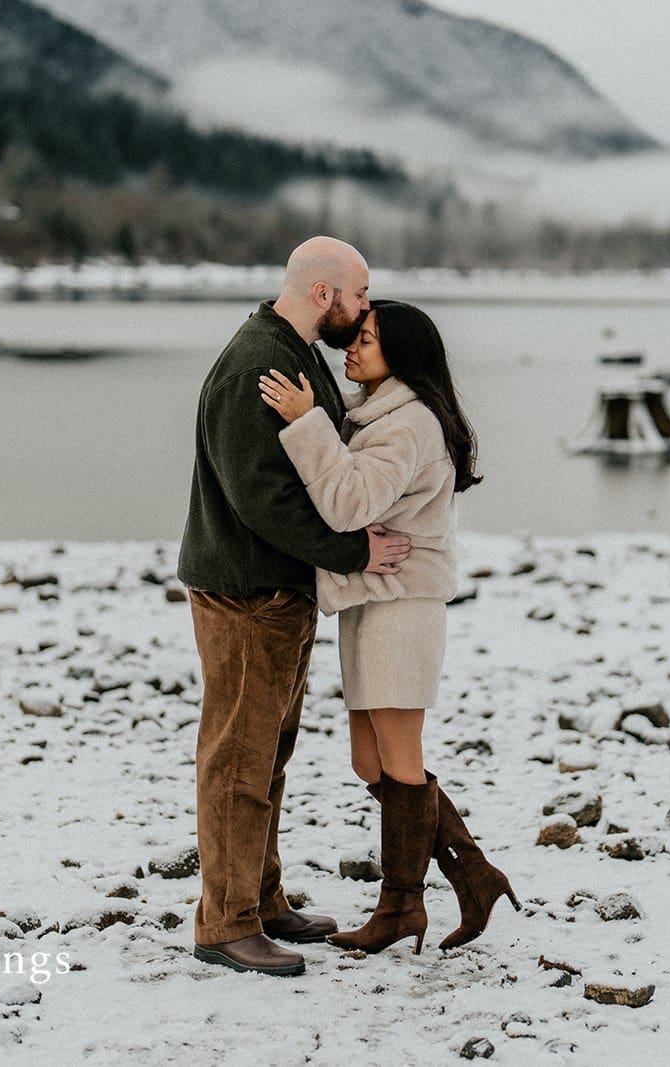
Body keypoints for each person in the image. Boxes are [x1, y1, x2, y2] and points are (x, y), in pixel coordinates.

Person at [177, 236, 413, 977]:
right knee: (238, 759)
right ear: (322, 293)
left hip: (275, 589)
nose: (365, 307)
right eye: (359, 294)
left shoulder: (296, 350)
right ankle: (225, 923)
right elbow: (265, 500)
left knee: (268, 756)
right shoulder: (259, 363)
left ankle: (262, 900)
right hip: (245, 591)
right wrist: (353, 553)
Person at [257, 300, 517, 956]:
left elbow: (348, 502)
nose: (353, 348)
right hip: (375, 599)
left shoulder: (411, 425)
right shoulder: (382, 412)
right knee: (368, 760)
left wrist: (304, 422)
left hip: (403, 606)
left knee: (398, 761)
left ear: (401, 353)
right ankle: (475, 874)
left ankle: (402, 905)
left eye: (368, 341)